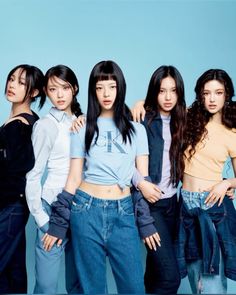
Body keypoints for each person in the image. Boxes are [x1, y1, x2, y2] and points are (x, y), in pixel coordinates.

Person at [42, 60, 162, 293]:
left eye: (111, 86)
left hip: (124, 212)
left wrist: (145, 223)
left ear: (120, 88)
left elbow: (142, 182)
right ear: (92, 91)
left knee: (134, 288)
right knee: (93, 288)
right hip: (86, 211)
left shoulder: (137, 130)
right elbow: (74, 177)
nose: (106, 93)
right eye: (99, 87)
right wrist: (58, 223)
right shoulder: (82, 127)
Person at [177, 69, 236, 294]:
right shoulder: (189, 118)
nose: (212, 99)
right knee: (196, 282)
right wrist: (141, 103)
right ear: (200, 95)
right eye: (206, 93)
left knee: (211, 284)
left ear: (227, 94)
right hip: (186, 205)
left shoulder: (231, 131)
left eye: (218, 93)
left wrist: (226, 183)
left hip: (211, 205)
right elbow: (158, 106)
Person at [25, 65, 82, 294]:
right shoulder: (45, 126)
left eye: (65, 88)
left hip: (82, 208)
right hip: (52, 207)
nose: (59, 95)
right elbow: (33, 175)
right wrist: (41, 218)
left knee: (79, 283)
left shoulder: (84, 122)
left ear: (74, 89)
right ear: (46, 93)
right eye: (52, 89)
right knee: (47, 286)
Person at [131, 65, 185, 294]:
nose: (168, 97)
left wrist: (226, 182)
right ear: (154, 91)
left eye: (173, 90)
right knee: (171, 278)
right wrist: (140, 183)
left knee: (155, 272)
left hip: (174, 205)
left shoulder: (184, 121)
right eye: (162, 91)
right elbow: (125, 162)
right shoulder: (142, 119)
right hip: (151, 205)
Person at [0, 64, 45, 294]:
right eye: (11, 79)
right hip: (14, 206)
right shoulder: (19, 121)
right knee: (12, 271)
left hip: (10, 206)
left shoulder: (21, 125)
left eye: (20, 82)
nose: (11, 85)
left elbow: (19, 167)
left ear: (34, 91)